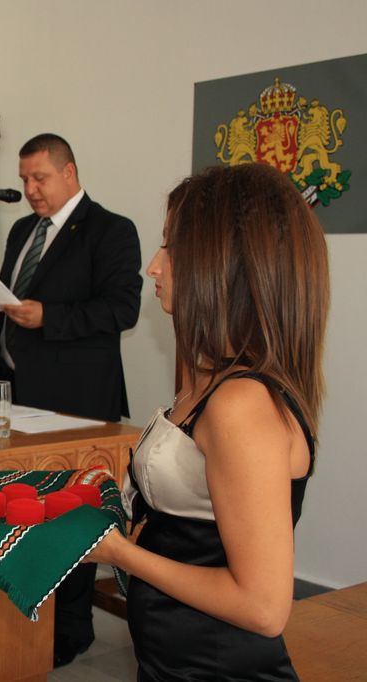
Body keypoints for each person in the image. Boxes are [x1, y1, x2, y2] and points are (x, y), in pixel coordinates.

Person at [85, 162, 329, 680]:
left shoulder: (241, 402)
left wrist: (120, 554)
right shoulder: (213, 378)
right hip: (172, 655)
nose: (153, 266)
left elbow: (263, 608)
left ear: (224, 264)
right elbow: (191, 525)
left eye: (170, 247)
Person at [0, 133, 142, 665]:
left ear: (69, 173)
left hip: (78, 404)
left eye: (39, 178)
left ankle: (70, 630)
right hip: (18, 398)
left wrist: (50, 316)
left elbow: (122, 309)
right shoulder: (23, 230)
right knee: (24, 508)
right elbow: (13, 302)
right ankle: (27, 618)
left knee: (72, 514)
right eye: (24, 179)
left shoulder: (111, 230)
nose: (30, 189)